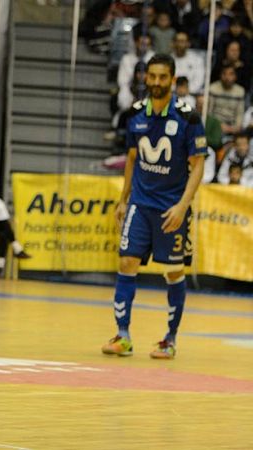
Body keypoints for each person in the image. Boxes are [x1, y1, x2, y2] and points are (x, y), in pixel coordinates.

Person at [102, 53, 206, 360]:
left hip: (171, 209)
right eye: (152, 77)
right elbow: (132, 159)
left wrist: (182, 206)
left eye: (163, 78)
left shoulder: (188, 118)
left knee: (173, 272)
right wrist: (123, 200)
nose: (157, 83)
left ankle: (169, 339)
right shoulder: (135, 114)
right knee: (126, 263)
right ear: (145, 77)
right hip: (140, 205)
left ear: (173, 80)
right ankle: (123, 336)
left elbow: (198, 165)